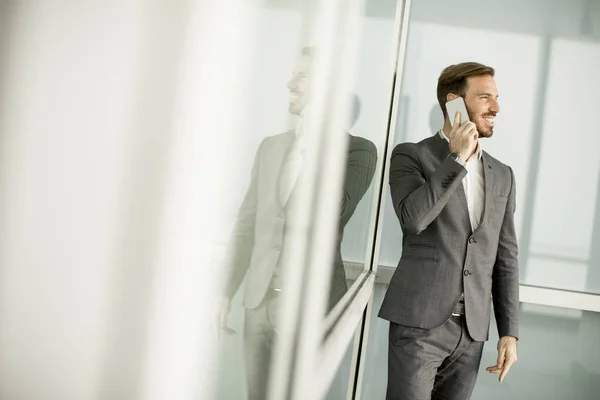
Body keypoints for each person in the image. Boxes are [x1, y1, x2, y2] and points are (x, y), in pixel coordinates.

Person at [216, 46, 377, 400]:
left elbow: (334, 209)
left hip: (310, 308)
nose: (290, 82)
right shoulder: (271, 147)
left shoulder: (358, 151)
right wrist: (225, 291)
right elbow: (246, 223)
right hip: (258, 306)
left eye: (302, 76)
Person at [378, 62, 519, 400]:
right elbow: (414, 219)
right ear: (454, 102)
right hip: (419, 326)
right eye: (485, 97)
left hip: (472, 333)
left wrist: (509, 333)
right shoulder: (411, 155)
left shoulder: (502, 175)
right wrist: (456, 158)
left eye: (496, 98)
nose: (496, 107)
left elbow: (506, 257)